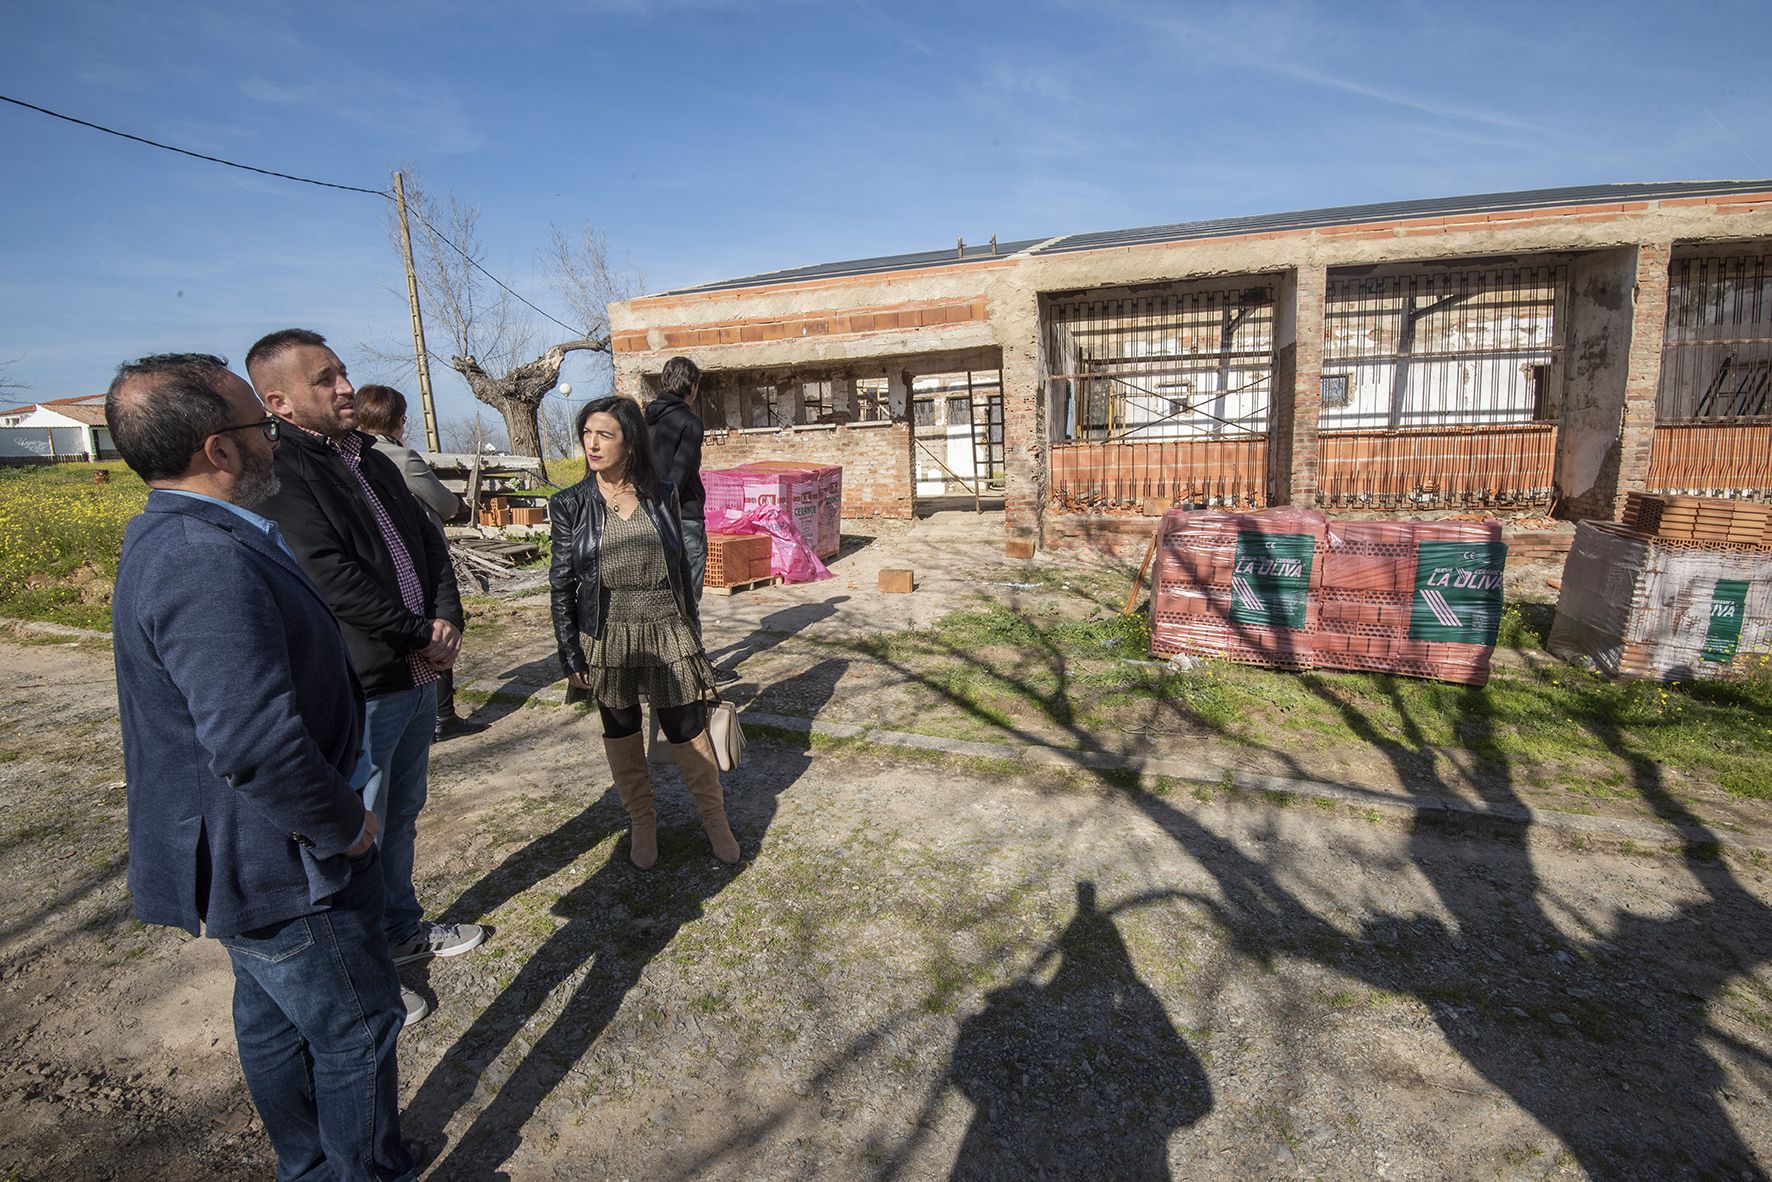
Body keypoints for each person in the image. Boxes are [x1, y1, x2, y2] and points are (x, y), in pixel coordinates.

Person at [106, 353, 417, 1180]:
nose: (272, 441)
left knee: (275, 1020)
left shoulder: (187, 533)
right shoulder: (199, 556)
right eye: (258, 426)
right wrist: (346, 827)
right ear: (219, 450)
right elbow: (254, 742)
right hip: (287, 863)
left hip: (256, 870)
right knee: (357, 1027)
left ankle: (310, 1166)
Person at [246, 329, 484, 1012]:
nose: (345, 387)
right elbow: (333, 579)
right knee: (357, 831)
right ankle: (365, 981)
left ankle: (399, 932)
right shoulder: (284, 474)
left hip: (415, 674)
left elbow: (431, 549)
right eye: (324, 380)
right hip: (365, 684)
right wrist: (419, 633)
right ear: (281, 402)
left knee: (402, 814)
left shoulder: (372, 459)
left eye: (343, 373)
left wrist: (447, 624)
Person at [549, 394, 739, 868]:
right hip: (607, 634)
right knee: (622, 729)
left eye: (604, 435)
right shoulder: (570, 504)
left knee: (686, 727)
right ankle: (642, 820)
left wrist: (694, 638)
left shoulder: (664, 493)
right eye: (587, 434)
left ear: (630, 442)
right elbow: (561, 584)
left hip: (665, 626)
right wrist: (571, 656)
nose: (592, 445)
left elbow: (680, 572)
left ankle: (715, 819)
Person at [355, 383, 482, 742]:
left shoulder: (345, 458)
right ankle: (443, 716)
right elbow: (446, 504)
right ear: (397, 419)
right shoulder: (397, 458)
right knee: (437, 630)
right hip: (419, 561)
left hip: (377, 567)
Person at [644, 355, 708, 601]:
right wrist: (667, 509)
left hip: (649, 512)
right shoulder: (690, 423)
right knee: (688, 596)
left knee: (662, 594)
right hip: (684, 515)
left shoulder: (645, 418)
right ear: (692, 387)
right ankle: (690, 639)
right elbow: (678, 475)